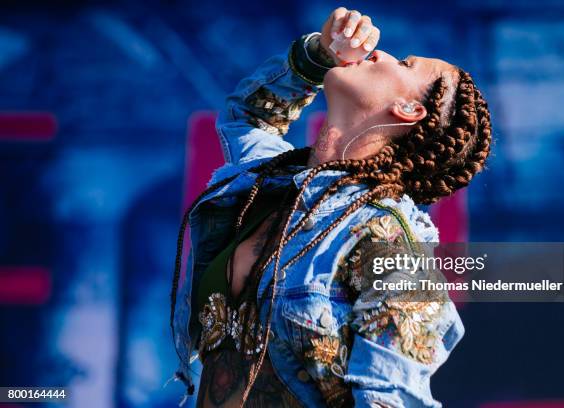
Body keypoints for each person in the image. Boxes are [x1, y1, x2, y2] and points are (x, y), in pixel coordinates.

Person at [169, 7, 492, 408]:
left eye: (405, 64)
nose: (382, 53)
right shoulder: (271, 186)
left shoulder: (390, 247)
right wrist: (319, 55)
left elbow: (390, 400)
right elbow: (247, 118)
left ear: (409, 110)